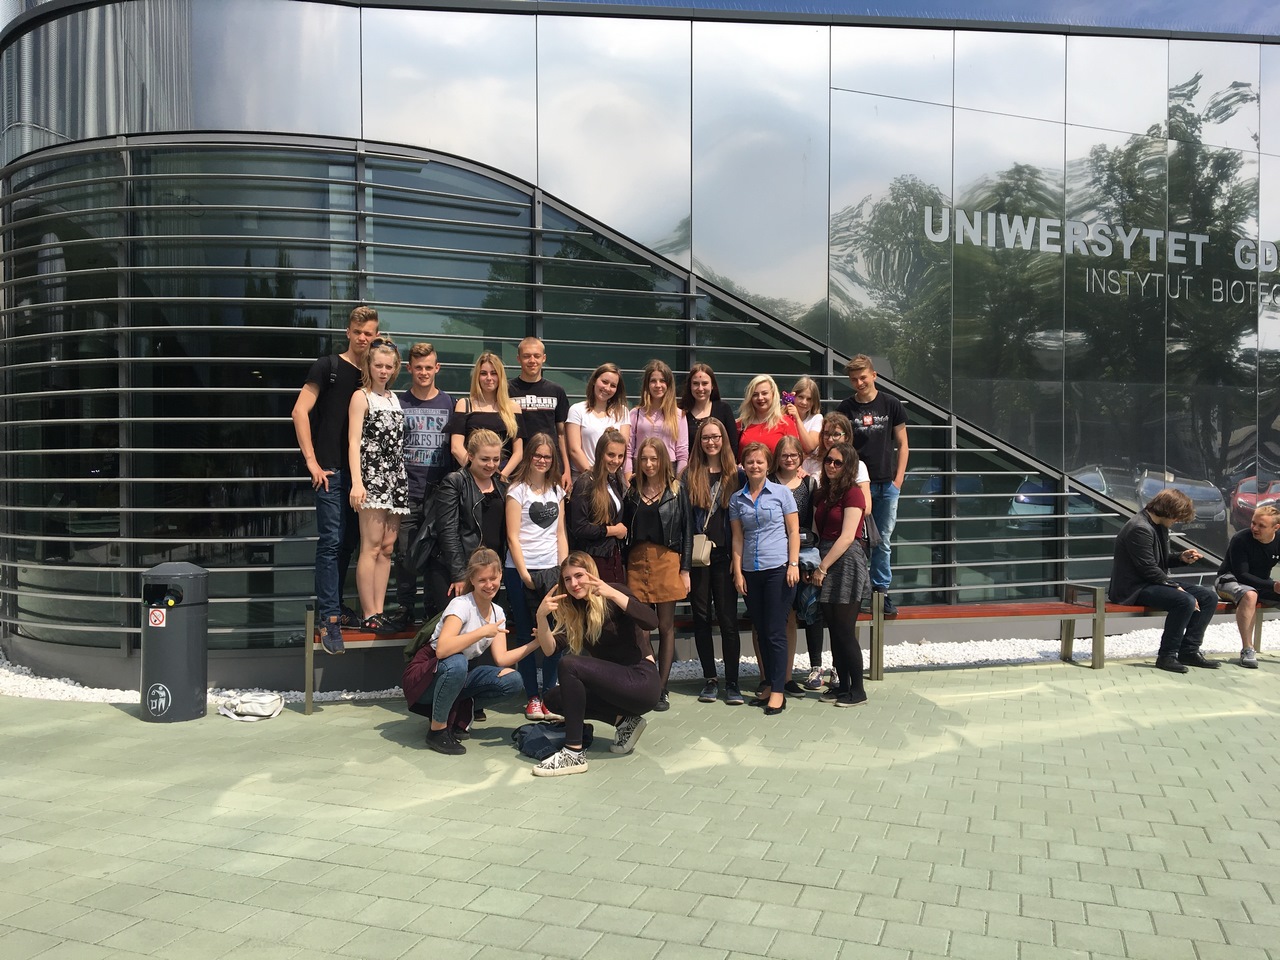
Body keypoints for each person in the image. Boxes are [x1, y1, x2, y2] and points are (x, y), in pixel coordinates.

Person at [290, 305, 379, 654]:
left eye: (369, 333)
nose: (363, 338)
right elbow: (299, 411)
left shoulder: (373, 374)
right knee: (330, 542)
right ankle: (329, 618)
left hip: (361, 477)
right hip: (330, 471)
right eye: (358, 332)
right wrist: (312, 462)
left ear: (375, 335)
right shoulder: (328, 366)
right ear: (348, 332)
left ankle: (338, 607)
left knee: (348, 543)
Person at [532, 554, 662, 777]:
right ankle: (625, 721)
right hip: (616, 688)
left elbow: (652, 622)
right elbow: (550, 648)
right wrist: (541, 617)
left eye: (579, 576)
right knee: (554, 698)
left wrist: (613, 593)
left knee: (569, 664)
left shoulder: (613, 593)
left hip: (641, 682)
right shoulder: (576, 612)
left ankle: (573, 753)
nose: (574, 583)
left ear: (591, 573)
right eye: (568, 579)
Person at [403, 549, 538, 756]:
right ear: (472, 580)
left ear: (501, 575)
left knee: (512, 680)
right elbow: (442, 650)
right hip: (425, 677)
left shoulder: (497, 612)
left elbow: (502, 658)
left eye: (493, 578)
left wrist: (537, 643)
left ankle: (458, 712)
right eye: (482, 580)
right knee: (457, 662)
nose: (489, 585)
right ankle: (437, 731)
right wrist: (482, 632)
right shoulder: (461, 605)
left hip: (456, 674)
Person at [1108, 488, 1216, 673]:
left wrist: (1181, 558)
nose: (1177, 521)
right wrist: (1175, 587)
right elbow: (1148, 568)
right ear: (1168, 510)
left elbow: (1158, 561)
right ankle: (1167, 656)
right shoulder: (1139, 528)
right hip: (1133, 588)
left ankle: (1189, 651)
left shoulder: (1158, 525)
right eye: (1177, 517)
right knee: (1185, 600)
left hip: (1151, 583)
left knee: (1208, 597)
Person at [800, 412, 871, 690]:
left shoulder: (853, 493)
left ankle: (857, 689)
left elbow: (847, 537)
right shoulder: (823, 494)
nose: (831, 465)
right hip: (826, 558)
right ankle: (842, 687)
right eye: (828, 460)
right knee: (834, 628)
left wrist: (822, 567)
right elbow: (817, 531)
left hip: (845, 561)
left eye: (838, 462)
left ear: (848, 466)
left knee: (844, 631)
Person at [730, 441, 800, 716]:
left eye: (760, 461)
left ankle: (779, 691)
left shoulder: (782, 493)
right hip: (751, 571)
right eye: (750, 462)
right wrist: (738, 572)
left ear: (768, 465)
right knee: (760, 630)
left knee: (775, 631)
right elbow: (738, 538)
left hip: (778, 569)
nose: (755, 466)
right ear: (743, 466)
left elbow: (793, 531)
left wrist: (793, 564)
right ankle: (770, 684)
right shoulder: (737, 499)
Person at [623, 436, 692, 711]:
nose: (649, 464)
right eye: (644, 459)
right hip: (637, 562)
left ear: (663, 460)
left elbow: (688, 531)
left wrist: (685, 570)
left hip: (667, 560)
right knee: (640, 629)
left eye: (654, 458)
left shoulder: (677, 489)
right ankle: (647, 683)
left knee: (665, 626)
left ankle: (662, 689)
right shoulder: (632, 490)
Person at [347, 338, 411, 631]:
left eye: (388, 366)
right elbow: (353, 442)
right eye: (378, 365)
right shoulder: (361, 397)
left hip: (396, 476)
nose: (383, 371)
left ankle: (379, 610)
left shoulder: (394, 398)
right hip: (372, 475)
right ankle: (368, 613)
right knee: (370, 547)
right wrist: (357, 482)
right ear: (369, 366)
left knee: (387, 548)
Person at [837, 355, 908, 616]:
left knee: (883, 541)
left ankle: (881, 592)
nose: (859, 382)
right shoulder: (846, 408)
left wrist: (898, 480)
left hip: (886, 485)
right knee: (855, 540)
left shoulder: (891, 404)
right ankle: (856, 591)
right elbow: (840, 447)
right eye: (854, 379)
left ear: (874, 375)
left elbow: (903, 444)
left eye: (863, 377)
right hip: (856, 486)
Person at [504, 433, 569, 720]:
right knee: (525, 634)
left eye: (547, 456)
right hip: (521, 572)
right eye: (537, 455)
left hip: (552, 571)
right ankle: (532, 696)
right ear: (529, 456)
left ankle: (550, 695)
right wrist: (524, 575)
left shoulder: (557, 491)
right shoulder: (516, 491)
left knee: (555, 633)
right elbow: (512, 537)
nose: (542, 460)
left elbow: (560, 534)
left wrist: (564, 571)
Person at [682, 418, 745, 706]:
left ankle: (732, 682)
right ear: (699, 441)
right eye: (706, 437)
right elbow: (684, 522)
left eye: (716, 436)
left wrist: (738, 558)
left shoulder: (736, 475)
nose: (711, 442)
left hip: (725, 557)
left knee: (728, 620)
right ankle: (710, 678)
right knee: (702, 619)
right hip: (698, 558)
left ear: (724, 439)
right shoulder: (689, 474)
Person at [394, 342, 453, 627]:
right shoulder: (399, 404)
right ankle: (404, 608)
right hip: (407, 491)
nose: (424, 372)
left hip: (439, 495)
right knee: (405, 554)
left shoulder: (450, 403)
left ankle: (432, 611)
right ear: (409, 368)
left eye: (429, 367)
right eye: (418, 367)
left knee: (435, 555)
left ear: (437, 368)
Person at [429, 429, 509, 615]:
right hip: (458, 569)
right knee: (457, 624)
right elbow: (447, 531)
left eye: (496, 459)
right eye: (485, 459)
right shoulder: (455, 482)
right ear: (471, 456)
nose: (491, 465)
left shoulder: (502, 485)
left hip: (488, 571)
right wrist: (459, 574)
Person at [770, 434, 819, 695]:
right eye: (784, 455)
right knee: (778, 616)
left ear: (801, 457)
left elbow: (814, 522)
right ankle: (771, 677)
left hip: (803, 556)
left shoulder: (809, 483)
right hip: (775, 554)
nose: (789, 459)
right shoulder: (768, 481)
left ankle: (788, 676)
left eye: (793, 455)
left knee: (797, 615)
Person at [1215, 504, 1280, 669]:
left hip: (1260, 582)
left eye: (1261, 526)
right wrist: (1273, 585)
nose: (1255, 528)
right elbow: (1242, 575)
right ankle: (1247, 649)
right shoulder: (1241, 539)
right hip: (1229, 580)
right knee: (1250, 594)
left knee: (1254, 592)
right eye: (1253, 523)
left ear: (1276, 528)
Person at [509, 337, 571, 488]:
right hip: (517, 467)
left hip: (549, 466)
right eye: (526, 356)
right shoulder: (507, 390)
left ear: (544, 358)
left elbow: (562, 434)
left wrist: (567, 469)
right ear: (518, 359)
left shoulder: (556, 391)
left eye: (536, 356)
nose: (532, 360)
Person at [568, 430, 629, 583]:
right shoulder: (585, 482)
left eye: (620, 456)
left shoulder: (614, 481)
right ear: (600, 453)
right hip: (593, 560)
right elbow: (579, 527)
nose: (616, 460)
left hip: (613, 556)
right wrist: (613, 530)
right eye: (611, 455)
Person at [447, 352, 522, 475]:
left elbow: (518, 453)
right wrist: (477, 473)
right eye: (483, 373)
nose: (489, 378)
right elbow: (456, 448)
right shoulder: (464, 405)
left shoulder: (513, 408)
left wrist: (500, 477)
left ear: (501, 376)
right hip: (471, 477)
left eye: (494, 373)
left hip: (503, 478)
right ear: (477, 376)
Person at [566, 362, 629, 480]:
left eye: (613, 385)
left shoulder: (622, 412)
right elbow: (574, 450)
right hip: (584, 478)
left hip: (612, 478)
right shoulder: (577, 410)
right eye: (604, 382)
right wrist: (593, 476)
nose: (607, 388)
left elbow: (623, 446)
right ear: (595, 380)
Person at [628, 359, 688, 478]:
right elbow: (628, 450)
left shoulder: (679, 415)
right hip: (641, 469)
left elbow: (682, 453)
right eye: (653, 381)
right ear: (647, 384)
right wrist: (628, 478)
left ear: (669, 384)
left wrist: (678, 481)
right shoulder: (635, 413)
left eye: (662, 381)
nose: (658, 385)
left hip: (669, 470)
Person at [680, 363, 739, 460]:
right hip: (690, 468)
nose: (700, 388)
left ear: (712, 386)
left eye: (705, 383)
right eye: (695, 383)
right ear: (690, 386)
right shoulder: (681, 412)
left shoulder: (723, 409)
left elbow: (733, 444)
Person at [736, 374, 798, 456]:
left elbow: (795, 456)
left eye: (764, 393)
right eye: (755, 394)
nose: (760, 398)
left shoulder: (786, 423)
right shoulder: (740, 425)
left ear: (773, 394)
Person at [786, 377, 824, 475]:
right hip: (787, 471)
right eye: (801, 397)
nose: (804, 402)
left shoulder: (817, 418)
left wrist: (797, 418)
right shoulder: (783, 418)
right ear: (793, 396)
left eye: (809, 399)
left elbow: (809, 447)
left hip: (810, 472)